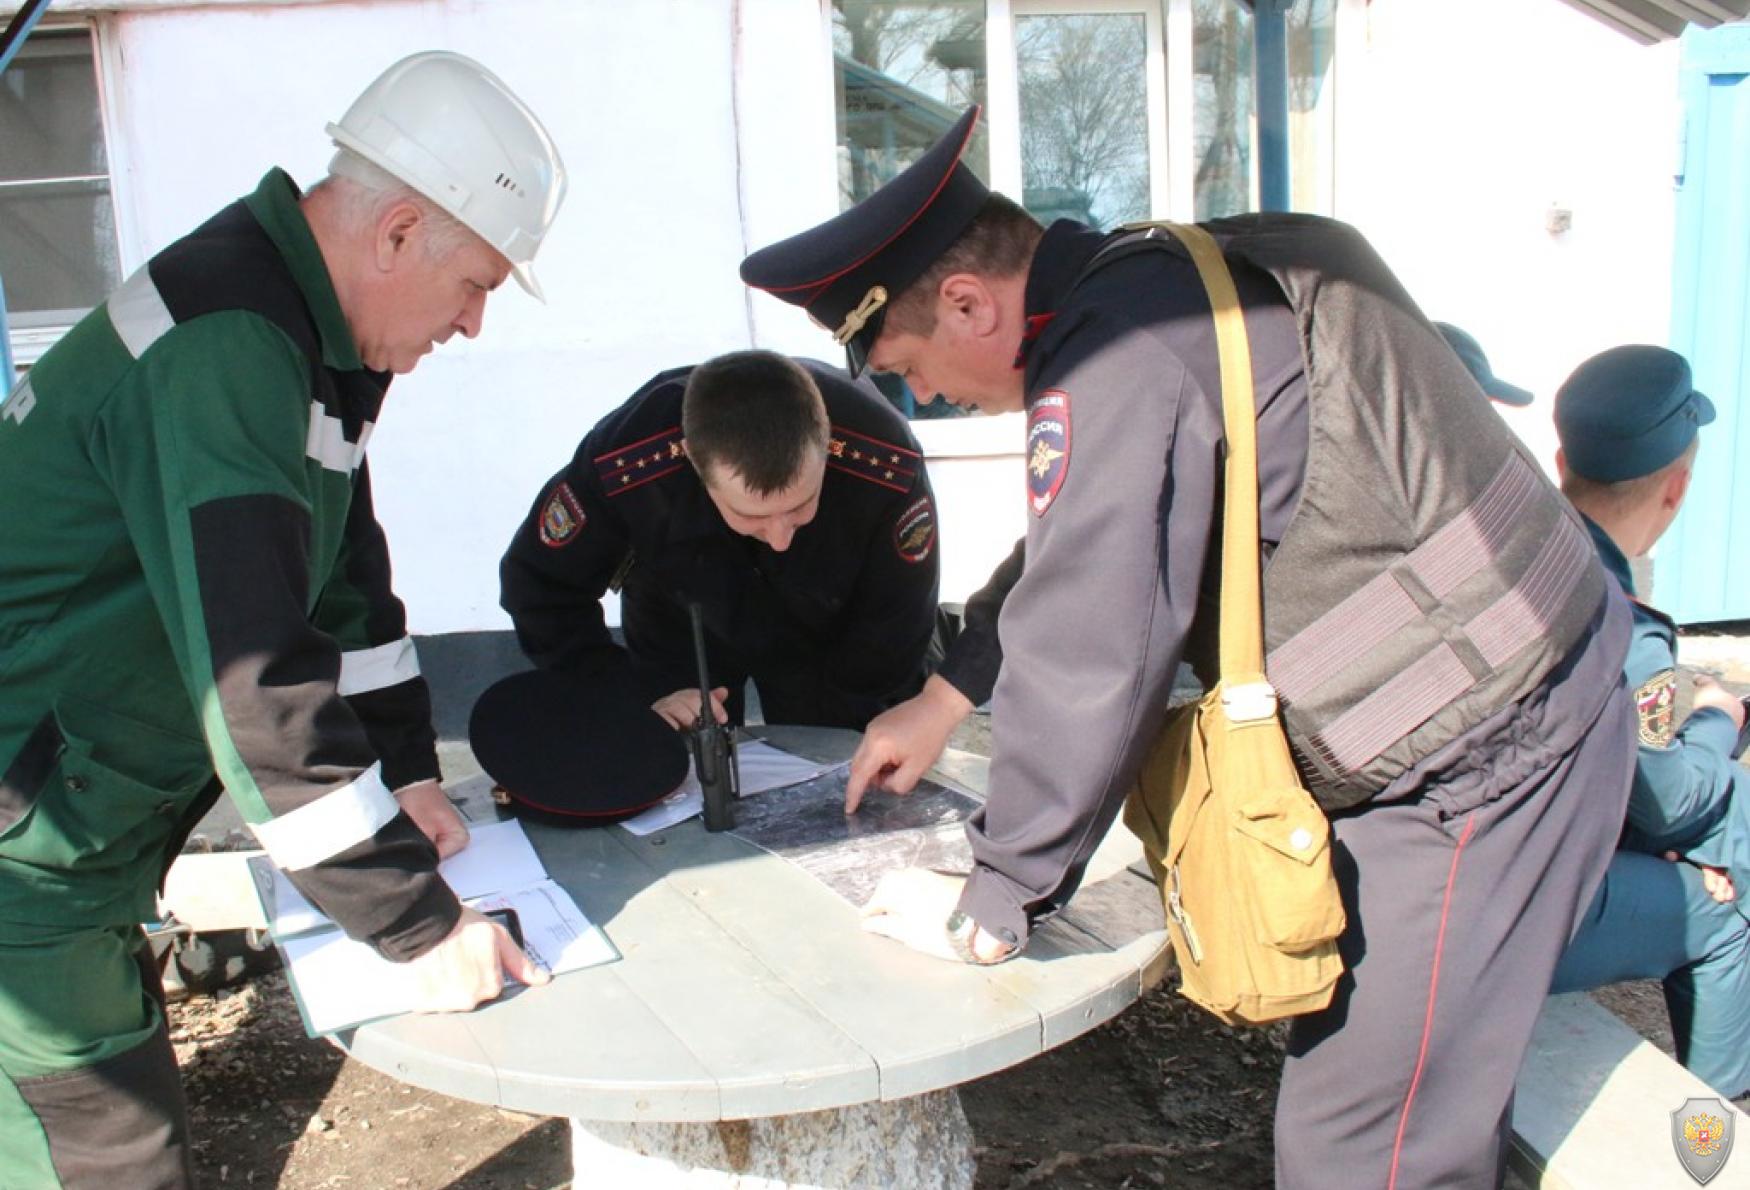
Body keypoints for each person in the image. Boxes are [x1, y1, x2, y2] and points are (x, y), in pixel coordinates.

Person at [739, 105, 1636, 1187]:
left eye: (912, 365)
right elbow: (1097, 534)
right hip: (1516, 692)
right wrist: (945, 694)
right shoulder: (1174, 279)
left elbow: (1092, 639)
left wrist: (995, 893)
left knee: (1368, 1148)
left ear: (970, 302)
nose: (925, 396)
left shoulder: (1120, 355)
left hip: (1480, 759)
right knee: (1399, 1109)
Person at [0, 51, 565, 1188]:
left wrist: (407, 768)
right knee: (105, 1148)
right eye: (475, 285)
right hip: (26, 842)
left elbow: (345, 585)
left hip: (78, 817)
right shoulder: (232, 345)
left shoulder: (304, 334)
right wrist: (416, 922)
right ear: (398, 230)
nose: (470, 326)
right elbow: (256, 689)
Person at [499, 349, 946, 732]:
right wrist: (625, 692)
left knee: (841, 771)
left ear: (826, 443)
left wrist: (852, 725)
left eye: (800, 507)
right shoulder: (626, 462)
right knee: (679, 769)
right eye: (751, 515)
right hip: (679, 619)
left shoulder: (885, 460)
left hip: (835, 627)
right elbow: (539, 587)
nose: (780, 538)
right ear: (693, 459)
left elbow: (898, 618)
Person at [1545, 345, 1750, 1100]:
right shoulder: (1621, 620)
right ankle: (1717, 1140)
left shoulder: (1515, 558)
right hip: (1504, 909)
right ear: (1677, 488)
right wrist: (1719, 721)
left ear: (1561, 457)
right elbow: (1668, 806)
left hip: (1428, 864)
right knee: (1729, 893)